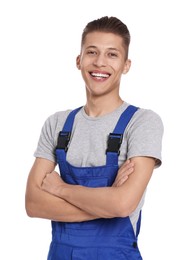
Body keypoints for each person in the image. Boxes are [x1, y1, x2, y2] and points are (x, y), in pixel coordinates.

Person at [25, 16, 164, 259]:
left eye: (112, 54)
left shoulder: (142, 122)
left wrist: (60, 188)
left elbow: (123, 204)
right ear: (79, 60)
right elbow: (33, 204)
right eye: (92, 52)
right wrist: (108, 203)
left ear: (126, 65)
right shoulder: (57, 124)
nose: (100, 62)